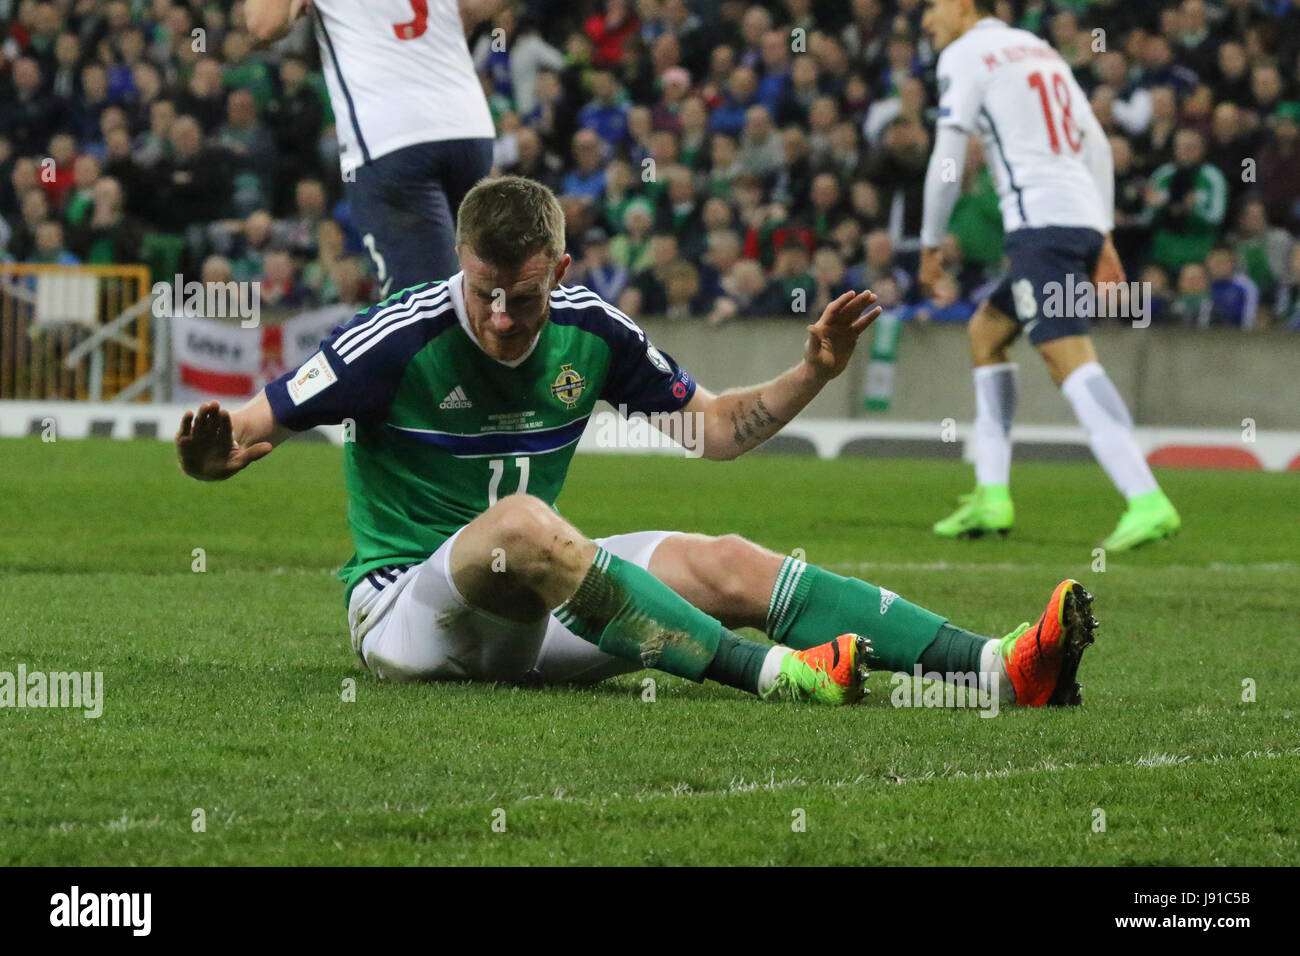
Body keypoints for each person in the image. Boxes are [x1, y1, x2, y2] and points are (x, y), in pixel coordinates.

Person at [175, 176, 1096, 708]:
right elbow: (248, 427)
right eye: (483, 292)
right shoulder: (395, 337)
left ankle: (1000, 669)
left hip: (531, 613)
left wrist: (812, 369)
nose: (500, 318)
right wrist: (212, 452)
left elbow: (722, 432)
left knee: (726, 560)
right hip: (411, 618)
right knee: (527, 523)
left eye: (524, 296)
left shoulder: (593, 330)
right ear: (460, 263)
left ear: (562, 271)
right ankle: (777, 677)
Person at [919, 0, 1180, 552]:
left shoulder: (967, 54)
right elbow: (1096, 144)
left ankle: (1146, 498)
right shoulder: (1039, 51)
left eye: (933, 7)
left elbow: (947, 157)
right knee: (987, 334)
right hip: (1077, 219)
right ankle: (991, 495)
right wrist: (1103, 233)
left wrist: (928, 242)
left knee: (1068, 358)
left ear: (965, 7)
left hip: (1040, 227)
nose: (925, 20)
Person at [246, 0, 501, 297]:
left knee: (422, 308)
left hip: (391, 139)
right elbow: (470, 7)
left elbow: (263, 23)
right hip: (469, 129)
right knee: (483, 293)